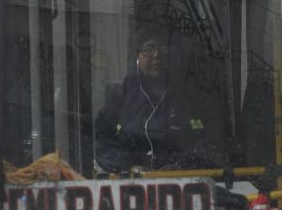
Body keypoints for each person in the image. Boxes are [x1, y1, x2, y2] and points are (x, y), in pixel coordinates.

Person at [94, 25, 219, 174]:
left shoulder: (196, 99)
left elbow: (212, 144)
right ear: (137, 57)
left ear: (175, 56)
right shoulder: (121, 96)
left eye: (164, 49)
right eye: (148, 49)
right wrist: (129, 167)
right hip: (130, 187)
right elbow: (102, 142)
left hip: (186, 184)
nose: (156, 55)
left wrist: (181, 167)